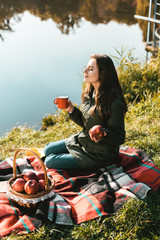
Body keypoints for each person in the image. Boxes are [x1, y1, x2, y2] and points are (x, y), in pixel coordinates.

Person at [44, 54, 128, 170]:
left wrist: (103, 133)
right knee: (47, 149)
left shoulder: (114, 102)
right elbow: (86, 123)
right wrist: (71, 110)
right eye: (87, 67)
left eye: (91, 69)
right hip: (84, 141)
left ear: (103, 74)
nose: (85, 71)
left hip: (98, 155)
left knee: (50, 161)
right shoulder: (89, 93)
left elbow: (119, 137)